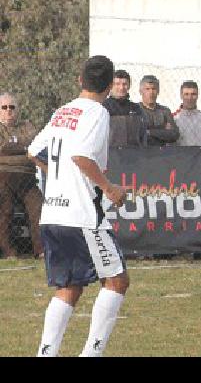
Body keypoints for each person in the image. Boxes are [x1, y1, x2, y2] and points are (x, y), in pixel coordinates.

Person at [26, 55, 129, 357]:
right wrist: (109, 188)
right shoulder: (97, 112)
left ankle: (46, 352)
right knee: (117, 279)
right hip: (82, 215)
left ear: (79, 80)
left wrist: (58, 178)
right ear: (110, 86)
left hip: (53, 213)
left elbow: (33, 151)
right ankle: (91, 353)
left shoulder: (62, 111)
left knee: (69, 287)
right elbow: (82, 157)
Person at [0, 92, 44, 258]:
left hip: (27, 177)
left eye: (12, 107)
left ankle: (40, 250)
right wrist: (21, 146)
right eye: (4, 107)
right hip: (3, 175)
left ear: (17, 110)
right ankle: (8, 251)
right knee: (5, 210)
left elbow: (34, 141)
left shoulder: (27, 125)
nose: (8, 111)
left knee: (38, 208)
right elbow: (2, 147)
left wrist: (10, 145)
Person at [102, 70, 147, 147]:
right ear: (111, 86)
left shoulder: (136, 108)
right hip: (111, 154)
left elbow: (142, 134)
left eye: (124, 84)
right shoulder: (103, 107)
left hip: (133, 153)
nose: (121, 87)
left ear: (129, 86)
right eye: (117, 84)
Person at [137, 75, 179, 147]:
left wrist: (149, 132)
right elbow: (137, 134)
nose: (151, 92)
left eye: (154, 89)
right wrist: (163, 131)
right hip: (142, 153)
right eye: (147, 89)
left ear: (158, 91)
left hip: (161, 153)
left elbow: (174, 134)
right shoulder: (136, 110)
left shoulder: (165, 111)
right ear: (141, 91)